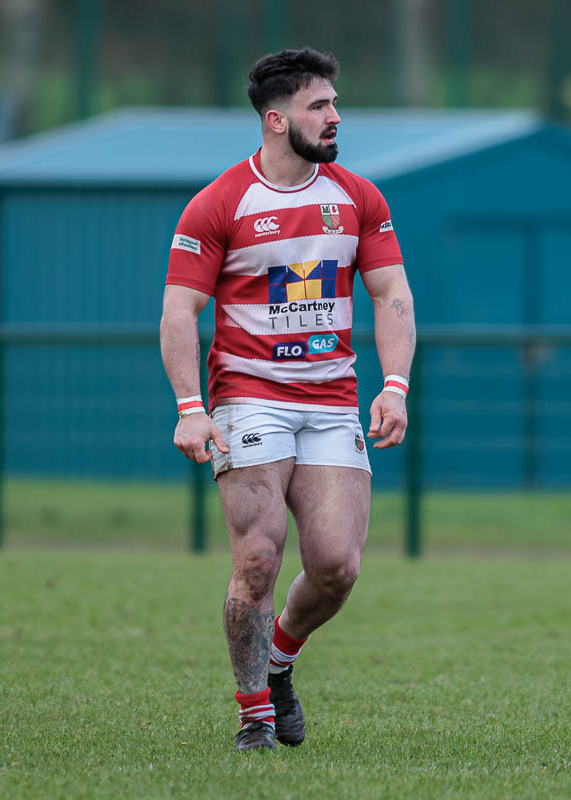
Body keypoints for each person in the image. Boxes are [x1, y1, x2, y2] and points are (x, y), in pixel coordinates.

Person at [160, 47, 415, 751]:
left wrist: (395, 386)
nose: (335, 117)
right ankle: (254, 719)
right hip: (248, 397)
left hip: (332, 400)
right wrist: (189, 407)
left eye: (334, 103)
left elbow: (391, 293)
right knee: (258, 559)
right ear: (276, 120)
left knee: (336, 566)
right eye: (318, 106)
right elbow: (179, 310)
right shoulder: (219, 202)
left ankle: (278, 663)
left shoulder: (359, 198)